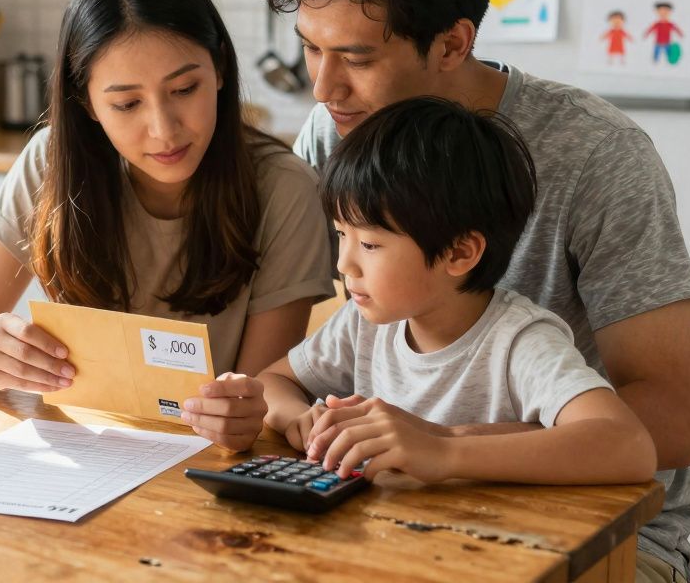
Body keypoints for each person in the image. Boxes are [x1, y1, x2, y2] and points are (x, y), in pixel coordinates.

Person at [261, 0, 690, 582]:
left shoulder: (594, 155)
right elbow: (318, 353)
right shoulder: (335, 131)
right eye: (311, 48)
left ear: (452, 43)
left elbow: (676, 426)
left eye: (357, 57)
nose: (323, 88)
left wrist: (442, 442)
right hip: (399, 503)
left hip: (604, 532)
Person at [0, 0, 335, 452]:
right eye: (126, 103)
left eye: (185, 88)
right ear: (86, 102)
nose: (163, 129)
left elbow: (260, 395)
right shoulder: (51, 163)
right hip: (76, 449)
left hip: (203, 465)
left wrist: (243, 413)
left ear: (221, 68)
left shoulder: (284, 189)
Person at [260, 96, 657, 488]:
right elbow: (272, 382)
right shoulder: (363, 324)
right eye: (341, 234)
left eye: (370, 245)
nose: (344, 264)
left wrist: (444, 450)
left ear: (459, 252)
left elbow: (630, 446)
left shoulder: (520, 341)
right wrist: (299, 417)